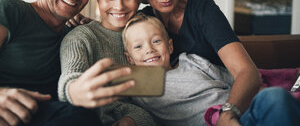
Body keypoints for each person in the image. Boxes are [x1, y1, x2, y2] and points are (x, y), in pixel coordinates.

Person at [133, 0, 262, 126]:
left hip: (229, 102)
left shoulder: (203, 9)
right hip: (188, 113)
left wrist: (227, 113)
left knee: (276, 99)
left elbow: (247, 71)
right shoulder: (142, 22)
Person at [122, 13, 300, 126]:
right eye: (138, 47)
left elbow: (237, 81)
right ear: (129, 59)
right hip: (212, 122)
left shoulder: (191, 61)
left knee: (274, 97)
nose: (149, 49)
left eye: (156, 41)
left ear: (169, 46)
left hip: (241, 113)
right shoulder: (139, 85)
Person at [58, 0, 157, 126]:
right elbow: (70, 80)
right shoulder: (82, 37)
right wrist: (74, 89)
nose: (119, 6)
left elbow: (157, 96)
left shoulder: (151, 31)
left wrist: (133, 119)